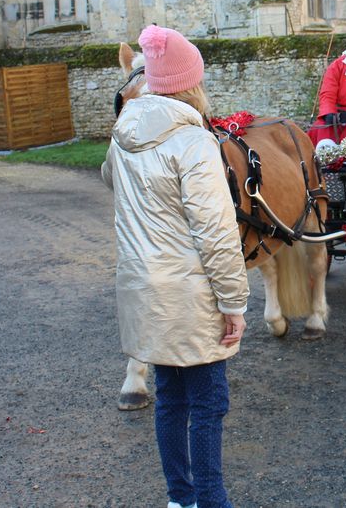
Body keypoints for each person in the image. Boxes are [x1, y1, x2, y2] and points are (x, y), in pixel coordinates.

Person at [102, 25, 250, 508]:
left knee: (170, 398)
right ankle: (211, 502)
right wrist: (233, 303)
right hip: (190, 296)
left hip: (144, 291)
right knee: (208, 403)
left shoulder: (122, 134)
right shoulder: (193, 141)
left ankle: (180, 499)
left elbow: (109, 177)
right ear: (191, 83)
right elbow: (216, 232)